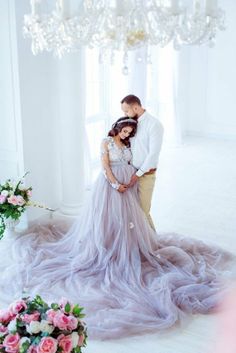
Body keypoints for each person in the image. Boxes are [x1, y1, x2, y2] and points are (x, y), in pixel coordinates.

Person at [0, 117, 233, 340]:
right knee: (108, 221)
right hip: (111, 187)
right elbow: (104, 166)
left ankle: (127, 247)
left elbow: (132, 162)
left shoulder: (127, 144)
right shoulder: (107, 142)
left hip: (127, 187)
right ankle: (106, 247)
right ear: (118, 128)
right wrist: (115, 184)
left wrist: (131, 181)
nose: (127, 134)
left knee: (128, 223)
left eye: (130, 132)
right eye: (125, 131)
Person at [121, 94, 164, 229]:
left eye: (126, 111)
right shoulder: (130, 124)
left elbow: (153, 155)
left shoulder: (154, 124)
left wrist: (137, 175)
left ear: (136, 107)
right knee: (130, 212)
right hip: (130, 173)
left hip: (145, 175)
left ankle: (153, 243)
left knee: (143, 212)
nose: (125, 114)